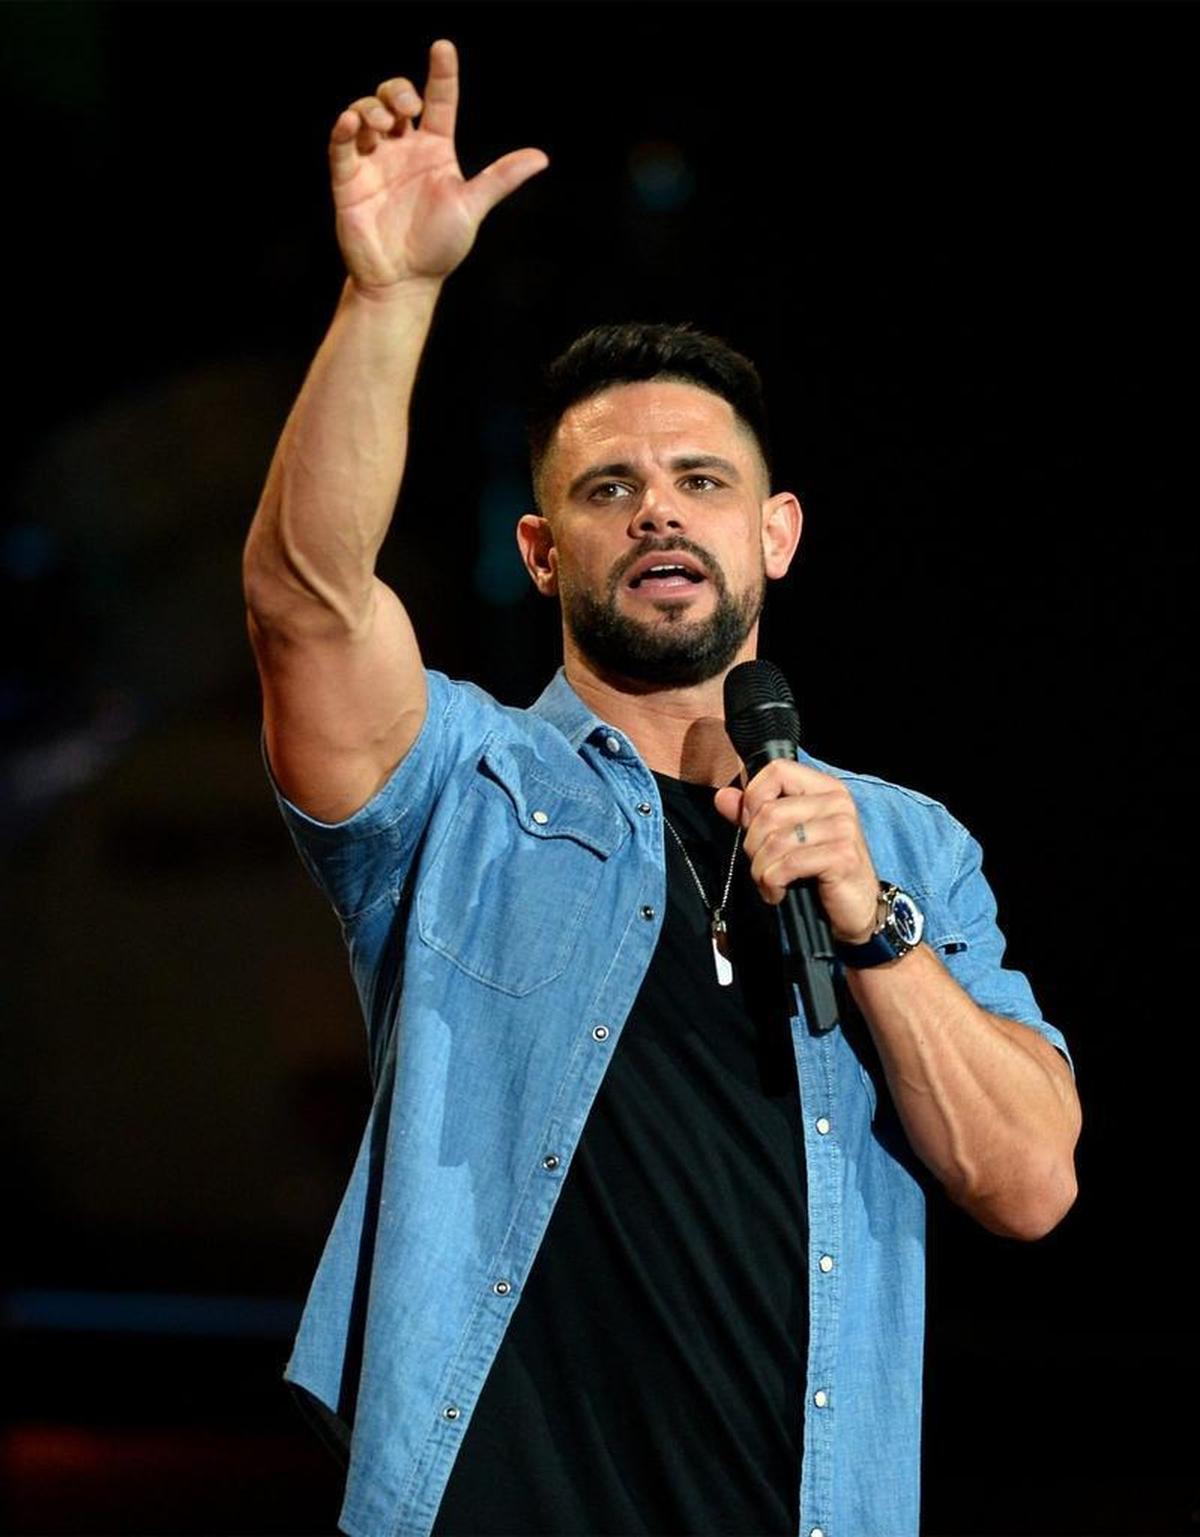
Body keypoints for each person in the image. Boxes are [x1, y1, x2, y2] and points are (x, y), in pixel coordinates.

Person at [243, 39, 1081, 1537]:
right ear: (540, 551)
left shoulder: (906, 842)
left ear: (778, 533)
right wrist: (390, 296)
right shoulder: (460, 785)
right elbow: (306, 603)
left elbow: (1029, 1180)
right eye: (608, 490)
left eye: (700, 481)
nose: (659, 516)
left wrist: (874, 924)